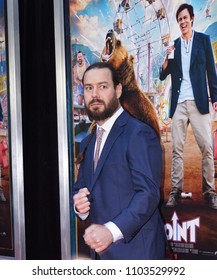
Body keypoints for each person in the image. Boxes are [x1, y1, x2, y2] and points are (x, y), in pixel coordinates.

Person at [73, 62, 167, 260]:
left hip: (137, 255)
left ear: (118, 90)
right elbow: (81, 188)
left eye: (103, 86)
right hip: (101, 254)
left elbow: (148, 194)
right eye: (89, 88)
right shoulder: (89, 141)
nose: (95, 94)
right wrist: (79, 206)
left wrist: (111, 231)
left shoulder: (139, 133)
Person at [159, 3, 217, 209]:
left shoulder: (203, 40)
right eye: (179, 19)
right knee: (177, 150)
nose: (182, 22)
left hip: (199, 101)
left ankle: (210, 192)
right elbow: (162, 74)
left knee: (207, 149)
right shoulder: (173, 45)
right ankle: (175, 191)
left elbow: (211, 70)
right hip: (179, 104)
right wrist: (166, 57)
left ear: (191, 19)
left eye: (185, 18)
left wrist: (215, 97)